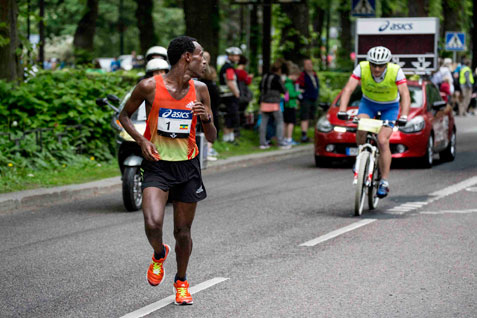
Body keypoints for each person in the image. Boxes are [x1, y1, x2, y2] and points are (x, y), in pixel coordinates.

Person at [118, 36, 216, 306]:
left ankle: (181, 282)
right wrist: (142, 140)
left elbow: (213, 137)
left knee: (183, 231)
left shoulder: (202, 90)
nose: (204, 61)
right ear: (187, 57)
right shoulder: (149, 86)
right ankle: (159, 253)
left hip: (188, 166)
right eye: (200, 55)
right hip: (157, 164)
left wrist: (206, 118)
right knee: (152, 223)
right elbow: (123, 116)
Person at [337, 46, 410, 198]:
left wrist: (403, 116)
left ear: (387, 64)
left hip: (390, 107)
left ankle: (384, 181)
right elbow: (348, 89)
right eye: (373, 64)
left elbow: (404, 93)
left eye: (381, 65)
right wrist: (342, 110)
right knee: (362, 128)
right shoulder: (362, 67)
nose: (376, 68)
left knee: (383, 140)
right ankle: (360, 157)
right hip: (368, 104)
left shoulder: (395, 70)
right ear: (369, 62)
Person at [259, 60, 289, 150]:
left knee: (263, 122)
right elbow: (283, 89)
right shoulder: (276, 78)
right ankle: (280, 141)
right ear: (279, 69)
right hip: (274, 102)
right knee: (279, 121)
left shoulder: (265, 76)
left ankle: (262, 142)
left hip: (264, 101)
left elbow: (260, 87)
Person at [200, 51, 221, 161]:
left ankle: (206, 150)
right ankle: (207, 151)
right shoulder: (209, 86)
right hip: (210, 110)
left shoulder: (202, 86)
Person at [219, 47, 242, 142]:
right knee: (230, 117)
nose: (238, 58)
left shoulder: (229, 67)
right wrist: (237, 93)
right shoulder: (228, 68)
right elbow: (230, 82)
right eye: (236, 56)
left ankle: (230, 137)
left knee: (233, 117)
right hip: (229, 96)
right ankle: (227, 138)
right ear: (230, 56)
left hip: (229, 96)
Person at [297, 58, 320, 143]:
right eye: (307, 64)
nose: (309, 66)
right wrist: (300, 97)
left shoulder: (314, 74)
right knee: (305, 117)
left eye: (310, 64)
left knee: (313, 117)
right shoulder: (302, 75)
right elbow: (298, 87)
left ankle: (315, 135)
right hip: (306, 99)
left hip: (314, 98)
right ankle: (304, 135)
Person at [283, 63, 301, 146]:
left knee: (286, 122)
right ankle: (289, 138)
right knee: (291, 122)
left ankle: (285, 138)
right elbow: (291, 94)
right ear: (293, 75)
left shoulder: (285, 82)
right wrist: (299, 92)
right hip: (290, 105)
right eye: (297, 77)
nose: (297, 79)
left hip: (286, 105)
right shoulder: (289, 84)